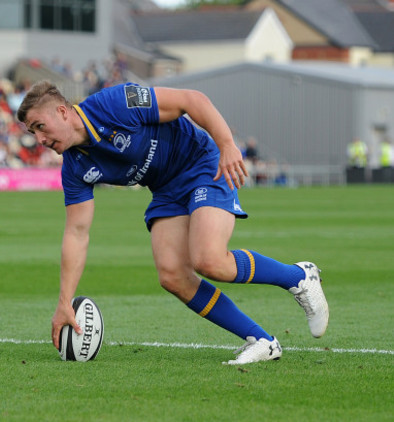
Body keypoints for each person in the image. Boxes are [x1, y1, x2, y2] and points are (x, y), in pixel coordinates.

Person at [17, 81, 329, 365]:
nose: (40, 139)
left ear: (62, 111)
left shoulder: (115, 103)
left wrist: (226, 144)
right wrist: (63, 303)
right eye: (33, 133)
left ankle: (299, 277)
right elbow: (77, 232)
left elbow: (191, 100)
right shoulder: (74, 167)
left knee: (209, 260)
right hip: (166, 188)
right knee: (173, 275)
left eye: (40, 127)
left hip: (202, 164)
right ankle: (262, 341)